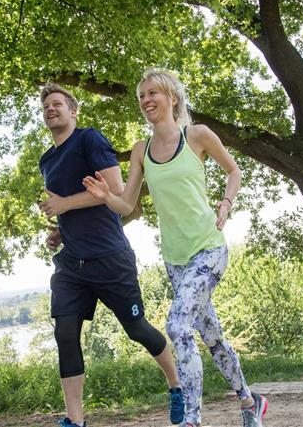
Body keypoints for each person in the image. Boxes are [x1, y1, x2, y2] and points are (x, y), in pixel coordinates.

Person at [82, 69, 268, 427]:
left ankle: (192, 420)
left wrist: (226, 205)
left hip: (209, 248)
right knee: (212, 337)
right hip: (175, 259)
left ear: (172, 98)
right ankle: (249, 401)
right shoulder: (141, 151)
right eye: (141, 96)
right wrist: (107, 196)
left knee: (178, 325)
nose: (147, 100)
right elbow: (128, 206)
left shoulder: (197, 136)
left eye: (153, 93)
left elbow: (234, 171)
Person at [36, 83, 183, 427]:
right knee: (65, 333)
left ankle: (177, 385)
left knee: (136, 328)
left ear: (73, 111)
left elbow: (115, 192)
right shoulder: (47, 159)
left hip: (109, 258)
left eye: (58, 104)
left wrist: (63, 205)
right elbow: (72, 205)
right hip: (72, 262)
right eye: (46, 106)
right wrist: (61, 228)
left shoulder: (89, 140)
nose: (51, 109)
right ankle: (76, 420)